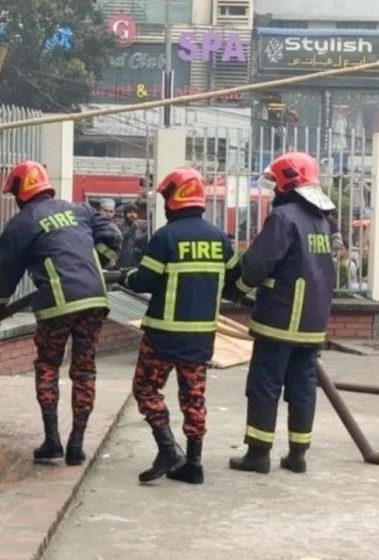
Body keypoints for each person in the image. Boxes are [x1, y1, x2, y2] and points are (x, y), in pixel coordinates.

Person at [0, 161, 121, 466]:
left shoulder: (22, 224)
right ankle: (77, 445)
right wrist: (99, 262)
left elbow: (3, 275)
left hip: (57, 304)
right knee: (84, 371)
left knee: (48, 366)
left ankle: (53, 441)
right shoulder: (81, 210)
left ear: (21, 192)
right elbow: (113, 235)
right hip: (95, 301)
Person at [121, 167, 240, 484]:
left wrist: (126, 276)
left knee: (146, 389)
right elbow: (235, 283)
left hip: (162, 335)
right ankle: (195, 464)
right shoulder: (219, 238)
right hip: (201, 336)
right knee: (194, 398)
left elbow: (144, 279)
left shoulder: (166, 237)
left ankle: (168, 447)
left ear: (175, 198)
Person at [225, 152, 336, 475]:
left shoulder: (284, 217)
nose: (273, 191)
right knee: (302, 389)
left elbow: (258, 264)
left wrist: (237, 289)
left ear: (288, 182)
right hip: (313, 323)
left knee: (265, 385)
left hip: (280, 319)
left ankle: (258, 455)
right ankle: (297, 455)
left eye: (276, 183)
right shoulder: (322, 220)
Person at [117, 203, 148, 269]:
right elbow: (120, 237)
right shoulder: (119, 225)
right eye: (130, 212)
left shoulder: (140, 226)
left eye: (134, 212)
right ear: (125, 214)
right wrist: (132, 229)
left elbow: (141, 240)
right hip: (123, 260)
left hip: (136, 260)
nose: (132, 215)